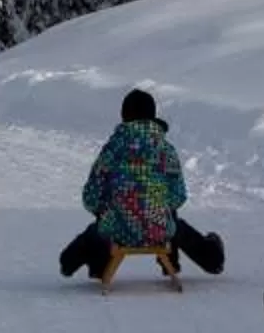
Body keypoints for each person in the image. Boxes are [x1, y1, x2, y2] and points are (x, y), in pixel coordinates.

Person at [59, 89, 186, 279]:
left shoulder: (114, 148)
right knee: (172, 217)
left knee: (99, 227)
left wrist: (103, 210)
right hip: (159, 230)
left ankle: (77, 262)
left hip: (118, 229)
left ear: (124, 115)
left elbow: (92, 195)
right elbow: (178, 195)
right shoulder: (166, 150)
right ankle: (177, 260)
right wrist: (158, 206)